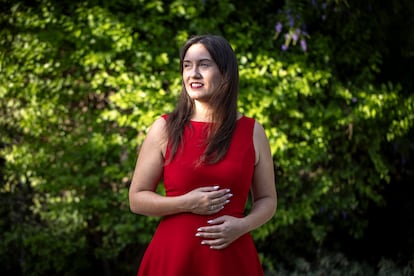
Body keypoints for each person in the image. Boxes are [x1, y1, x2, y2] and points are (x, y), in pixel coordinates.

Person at [129, 34, 277, 276]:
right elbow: (136, 199)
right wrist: (187, 202)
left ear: (225, 73)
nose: (193, 73)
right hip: (173, 258)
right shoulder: (164, 128)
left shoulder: (252, 131)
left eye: (204, 65)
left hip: (232, 260)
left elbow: (267, 200)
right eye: (187, 66)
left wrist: (242, 226)